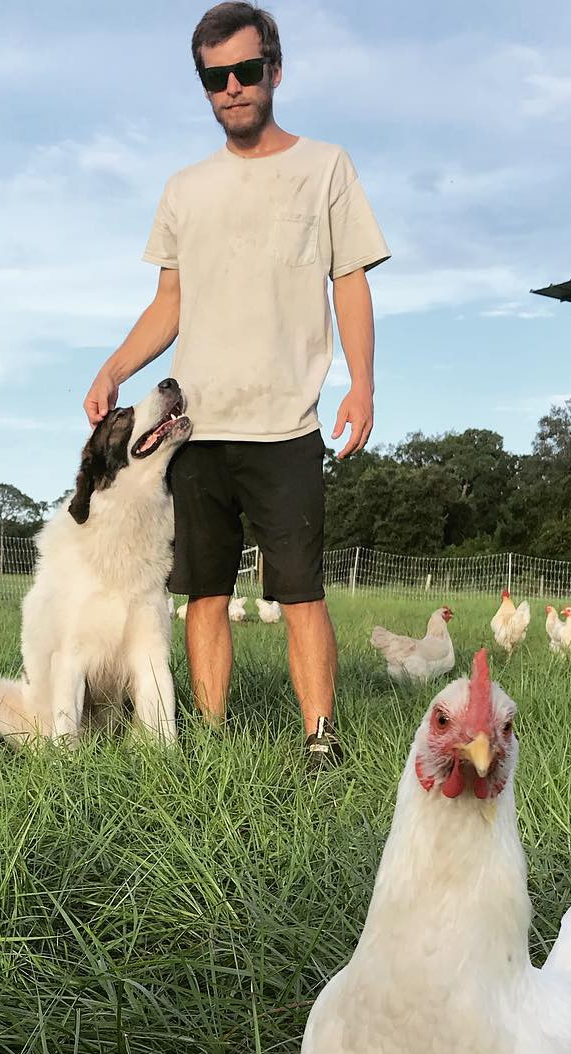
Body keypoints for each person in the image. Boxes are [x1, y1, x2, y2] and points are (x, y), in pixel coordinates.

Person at [83, 3, 388, 769]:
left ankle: (320, 738)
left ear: (274, 70)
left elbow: (349, 282)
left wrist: (362, 385)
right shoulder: (185, 188)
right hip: (197, 427)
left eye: (246, 71)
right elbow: (169, 304)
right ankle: (214, 743)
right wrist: (113, 369)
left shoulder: (325, 168)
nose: (232, 88)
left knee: (301, 593)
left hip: (287, 424)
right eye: (215, 78)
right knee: (206, 593)